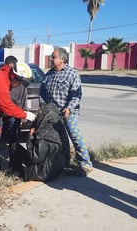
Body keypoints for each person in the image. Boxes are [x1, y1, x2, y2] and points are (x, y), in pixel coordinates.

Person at [39, 47, 92, 176]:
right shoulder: (49, 74)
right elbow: (43, 92)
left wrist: (68, 108)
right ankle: (64, 163)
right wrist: (44, 108)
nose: (51, 59)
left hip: (68, 112)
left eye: (54, 57)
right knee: (60, 140)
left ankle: (85, 164)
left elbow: (76, 95)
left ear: (62, 59)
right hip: (53, 113)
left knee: (75, 137)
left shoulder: (71, 73)